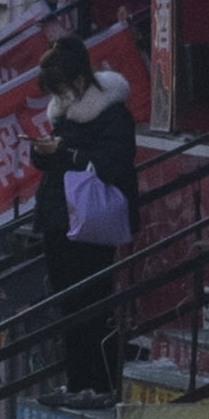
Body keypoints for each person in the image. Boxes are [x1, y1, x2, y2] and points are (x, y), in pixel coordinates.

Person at [31, 32, 140, 399]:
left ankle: (99, 382)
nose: (60, 96)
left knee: (92, 301)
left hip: (91, 221)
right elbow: (56, 161)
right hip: (59, 216)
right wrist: (43, 152)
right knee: (67, 303)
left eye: (63, 88)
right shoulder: (64, 113)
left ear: (79, 80)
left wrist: (68, 153)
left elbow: (113, 162)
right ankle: (78, 381)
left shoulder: (111, 112)